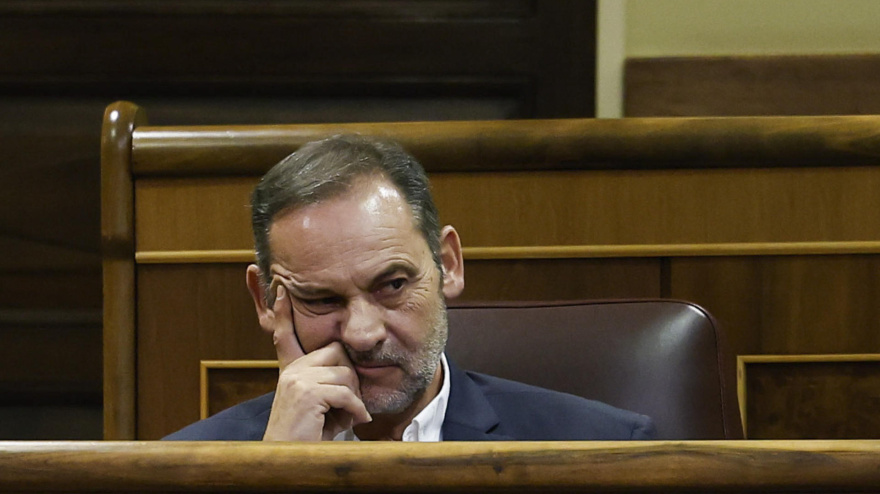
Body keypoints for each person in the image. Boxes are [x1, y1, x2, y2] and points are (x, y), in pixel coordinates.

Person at [165, 135, 655, 442]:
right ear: (265, 302)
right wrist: (277, 480)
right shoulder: (186, 471)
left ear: (447, 264)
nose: (361, 333)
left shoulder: (600, 451)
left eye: (392, 285)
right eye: (321, 299)